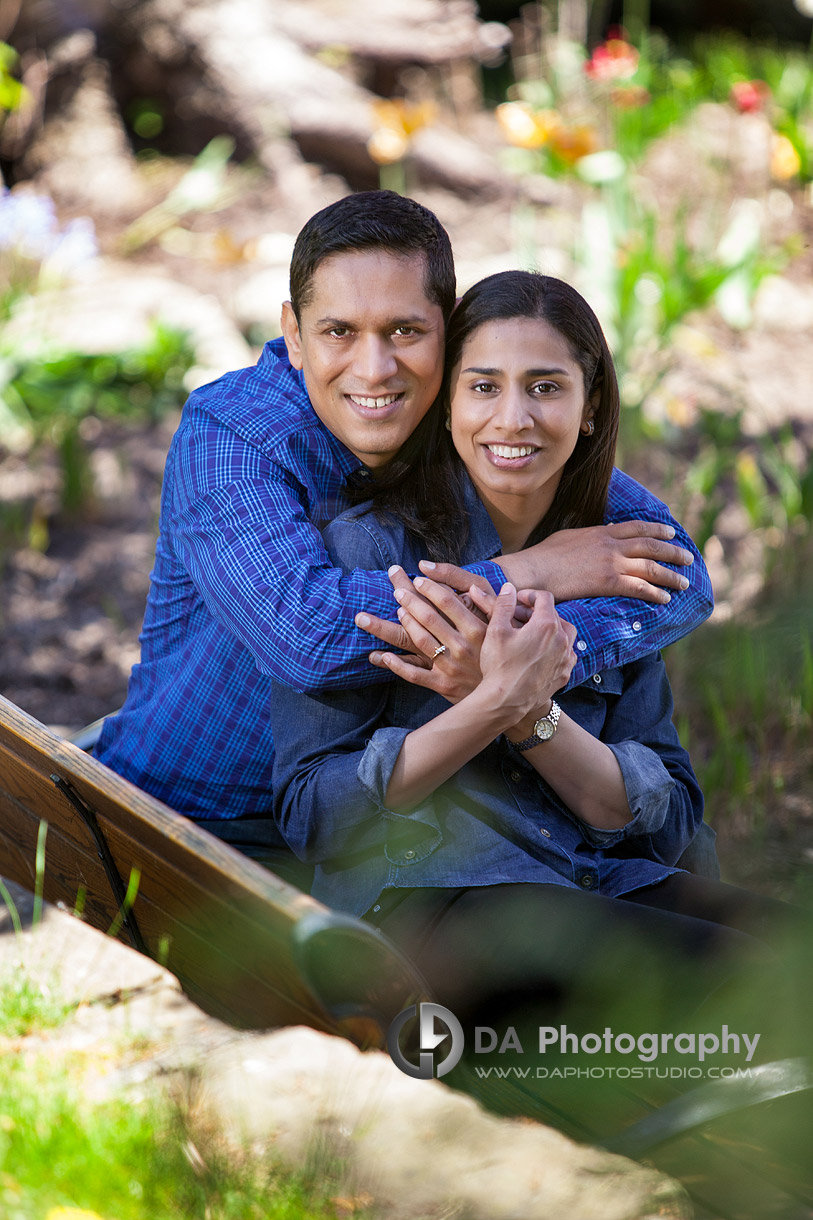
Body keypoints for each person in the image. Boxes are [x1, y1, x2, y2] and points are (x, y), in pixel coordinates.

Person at [268, 271, 803, 1089]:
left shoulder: (615, 560)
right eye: (482, 386)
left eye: (545, 388)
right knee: (760, 998)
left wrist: (527, 714)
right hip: (430, 919)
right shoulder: (369, 554)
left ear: (589, 407)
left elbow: (663, 819)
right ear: (446, 403)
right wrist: (490, 702)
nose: (511, 419)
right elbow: (313, 815)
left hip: (602, 880)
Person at [95, 192, 712, 883]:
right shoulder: (234, 434)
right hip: (192, 818)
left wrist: (527, 661)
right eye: (338, 333)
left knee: (682, 860)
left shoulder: (464, 412)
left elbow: (678, 573)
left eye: (404, 331)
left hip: (380, 831)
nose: (374, 368)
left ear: (446, 334)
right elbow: (308, 636)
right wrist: (532, 579)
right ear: (293, 335)